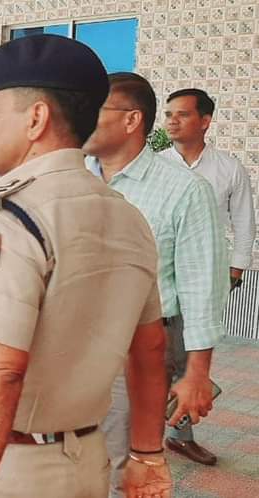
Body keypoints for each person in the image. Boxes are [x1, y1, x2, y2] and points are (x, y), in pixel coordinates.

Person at [0, 35, 171, 498]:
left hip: (5, 470)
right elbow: (150, 348)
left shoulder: (9, 218)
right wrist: (147, 455)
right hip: (86, 463)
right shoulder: (128, 217)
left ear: (36, 119)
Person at [84, 73, 228, 483]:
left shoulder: (183, 190)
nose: (79, 118)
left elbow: (201, 286)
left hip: (139, 347)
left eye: (93, 109)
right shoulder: (72, 177)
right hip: (71, 341)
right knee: (68, 455)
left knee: (119, 462)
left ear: (131, 120)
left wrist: (196, 372)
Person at [160, 88, 254, 294]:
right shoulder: (154, 166)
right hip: (157, 275)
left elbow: (244, 223)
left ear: (205, 121)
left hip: (207, 276)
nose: (172, 121)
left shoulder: (229, 168)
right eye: (168, 114)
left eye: (182, 114)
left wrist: (235, 273)